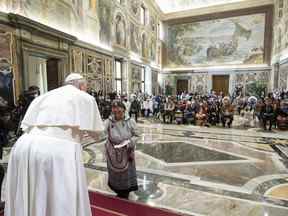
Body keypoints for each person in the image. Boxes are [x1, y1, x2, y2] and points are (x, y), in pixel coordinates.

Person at [5, 73, 104, 216]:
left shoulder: (45, 96)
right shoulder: (85, 97)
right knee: (59, 200)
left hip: (22, 146)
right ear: (82, 86)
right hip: (57, 150)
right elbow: (97, 134)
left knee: (28, 193)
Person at [104, 100, 139, 199]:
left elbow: (137, 135)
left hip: (126, 151)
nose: (117, 114)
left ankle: (125, 191)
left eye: (119, 112)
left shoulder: (130, 121)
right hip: (113, 152)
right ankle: (117, 189)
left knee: (126, 174)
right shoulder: (109, 122)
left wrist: (130, 142)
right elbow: (101, 131)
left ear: (124, 111)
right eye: (114, 112)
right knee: (115, 174)